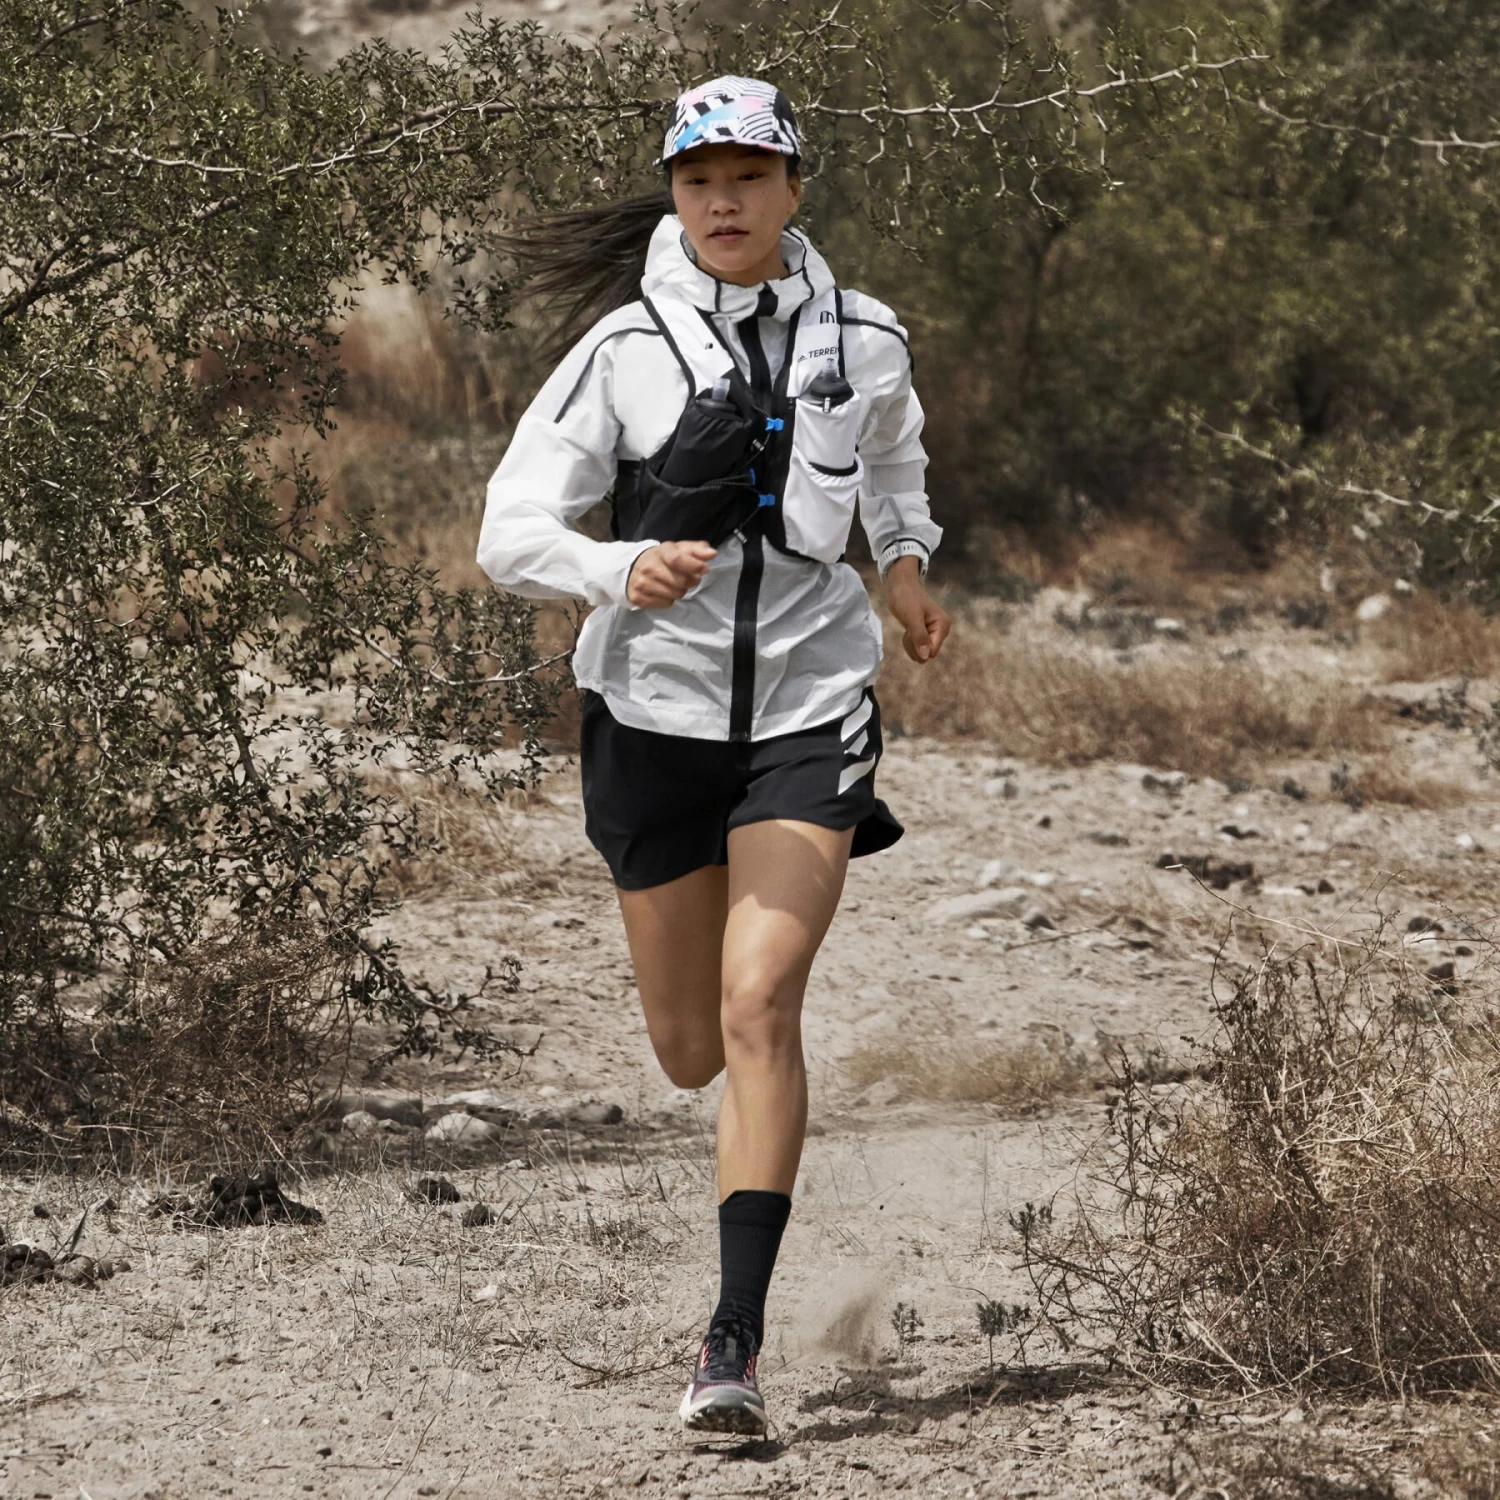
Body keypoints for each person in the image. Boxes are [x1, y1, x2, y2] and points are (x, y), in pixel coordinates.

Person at [477, 74, 951, 1437]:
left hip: (809, 710)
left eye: (748, 176)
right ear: (675, 195)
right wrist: (614, 567)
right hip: (651, 723)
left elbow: (896, 471)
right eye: (698, 180)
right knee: (691, 1049)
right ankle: (732, 1290)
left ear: (794, 185)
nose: (724, 201)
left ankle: (730, 1346)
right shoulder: (622, 349)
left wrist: (904, 567)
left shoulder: (866, 338)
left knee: (760, 1006)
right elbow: (509, 530)